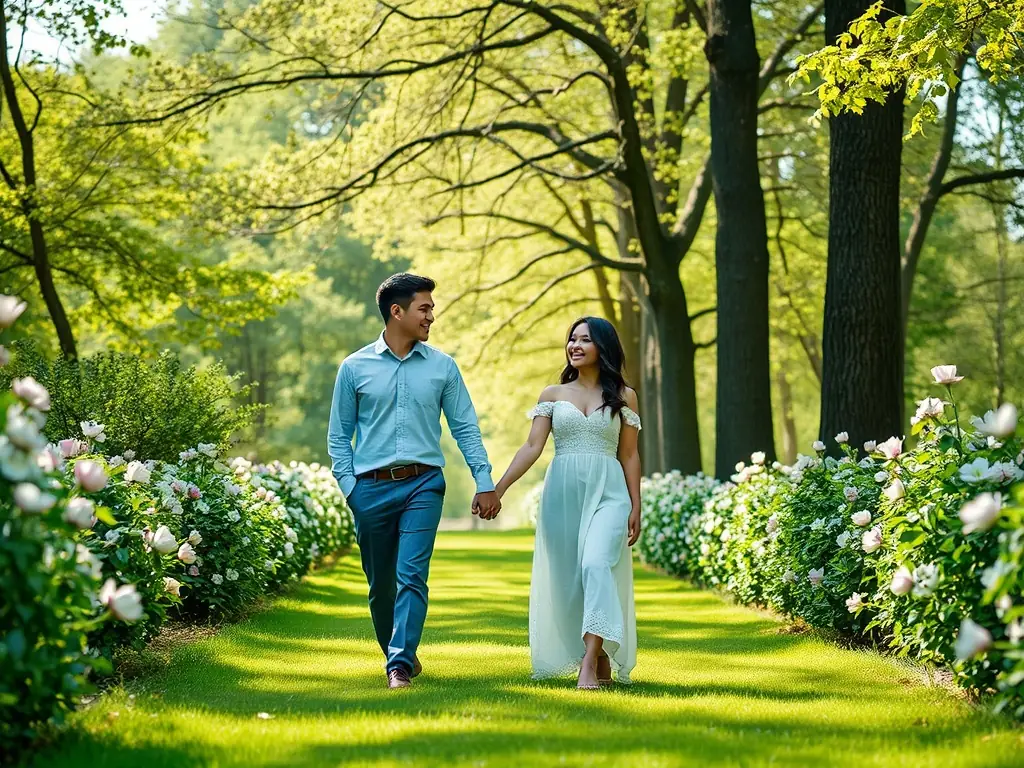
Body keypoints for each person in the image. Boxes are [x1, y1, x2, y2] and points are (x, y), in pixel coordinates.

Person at [328, 273, 501, 689]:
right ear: (397, 311)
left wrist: (484, 480)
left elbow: (466, 429)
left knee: (411, 575)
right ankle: (398, 651)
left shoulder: (443, 367)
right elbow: (339, 435)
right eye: (424, 309)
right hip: (369, 488)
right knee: (380, 586)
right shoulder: (354, 368)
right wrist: (351, 489)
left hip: (424, 484)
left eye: (431, 309)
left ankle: (399, 665)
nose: (430, 317)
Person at [495, 317, 641, 689]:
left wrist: (635, 504)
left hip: (609, 493)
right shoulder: (552, 395)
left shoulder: (625, 396)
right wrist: (499, 489)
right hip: (562, 494)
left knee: (595, 565)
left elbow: (629, 455)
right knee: (569, 580)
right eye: (571, 340)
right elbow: (532, 447)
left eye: (584, 340)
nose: (574, 346)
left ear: (603, 347)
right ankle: (601, 654)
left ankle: (589, 663)